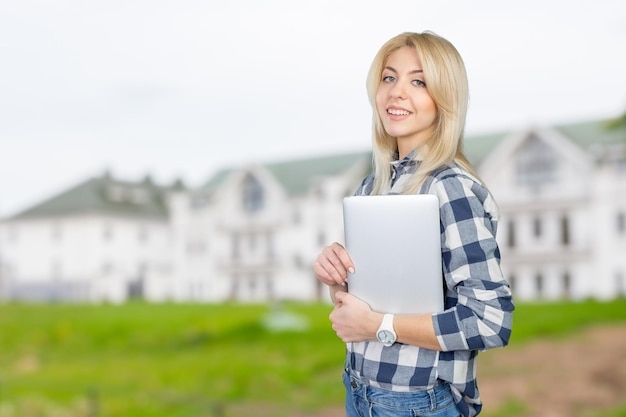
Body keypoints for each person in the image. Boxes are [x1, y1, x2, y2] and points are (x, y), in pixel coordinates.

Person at [313, 31, 514, 417]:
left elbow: (490, 322)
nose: (396, 92)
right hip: (360, 390)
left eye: (418, 81)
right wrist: (339, 281)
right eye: (389, 78)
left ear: (445, 99)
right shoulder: (373, 185)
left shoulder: (450, 187)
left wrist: (377, 326)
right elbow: (362, 308)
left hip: (417, 403)